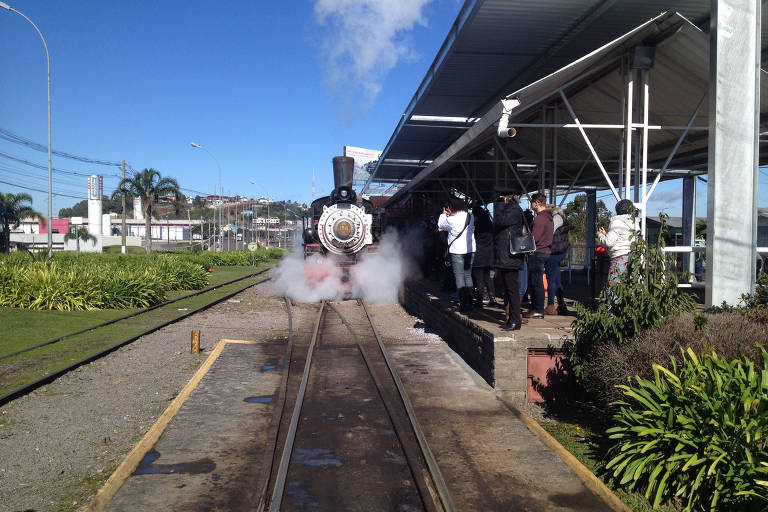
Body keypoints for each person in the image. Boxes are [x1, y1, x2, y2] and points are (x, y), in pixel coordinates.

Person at [492, 187, 525, 330]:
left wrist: (499, 205)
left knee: (512, 289)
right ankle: (513, 319)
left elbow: (499, 221)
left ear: (506, 198)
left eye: (500, 199)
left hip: (510, 256)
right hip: (507, 256)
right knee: (509, 288)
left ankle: (515, 320)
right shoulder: (511, 209)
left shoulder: (513, 209)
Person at [438, 198, 476, 313]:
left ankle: (463, 304)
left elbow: (440, 225)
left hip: (457, 251)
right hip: (470, 250)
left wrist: (443, 214)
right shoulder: (470, 216)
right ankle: (470, 303)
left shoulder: (451, 219)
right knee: (468, 276)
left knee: (459, 277)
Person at [523, 192, 553, 319]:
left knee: (536, 282)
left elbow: (534, 238)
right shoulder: (548, 217)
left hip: (538, 252)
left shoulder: (540, 219)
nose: (531, 205)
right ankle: (535, 308)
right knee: (536, 281)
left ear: (536, 203)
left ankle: (538, 309)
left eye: (532, 202)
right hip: (545, 251)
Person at [597, 199, 638, 282]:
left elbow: (608, 242)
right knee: (629, 285)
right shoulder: (634, 222)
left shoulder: (616, 222)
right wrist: (606, 234)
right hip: (632, 257)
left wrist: (600, 235)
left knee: (614, 285)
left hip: (619, 258)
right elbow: (622, 238)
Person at [471, 205, 497, 309]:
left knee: (479, 279)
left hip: (478, 255)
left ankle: (479, 301)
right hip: (489, 255)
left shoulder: (475, 226)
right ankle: (493, 298)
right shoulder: (490, 224)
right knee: (489, 278)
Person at [545, 207, 569, 315]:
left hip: (554, 252)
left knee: (551, 280)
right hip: (560, 251)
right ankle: (561, 304)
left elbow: (550, 232)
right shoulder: (562, 218)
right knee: (557, 279)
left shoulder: (556, 218)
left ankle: (550, 305)